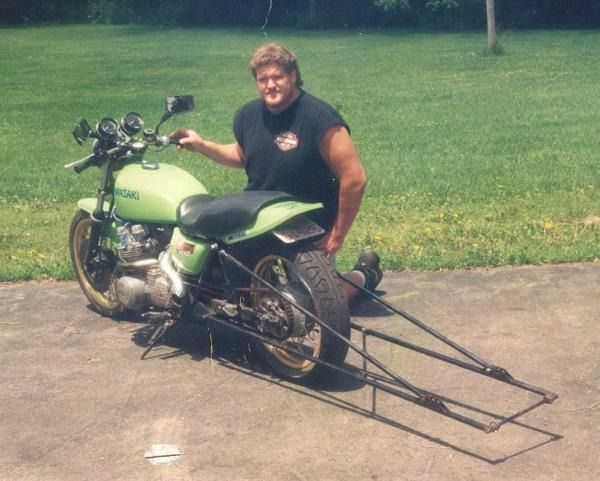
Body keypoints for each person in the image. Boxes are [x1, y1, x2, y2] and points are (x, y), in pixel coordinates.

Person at [170, 42, 382, 301]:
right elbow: (242, 155)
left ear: (293, 76)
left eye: (277, 77)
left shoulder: (320, 118)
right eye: (263, 79)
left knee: (315, 308)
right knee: (240, 298)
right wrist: (202, 145)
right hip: (258, 219)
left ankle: (364, 274)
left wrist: (337, 235)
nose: (270, 85)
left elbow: (354, 178)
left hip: (307, 222)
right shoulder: (247, 115)